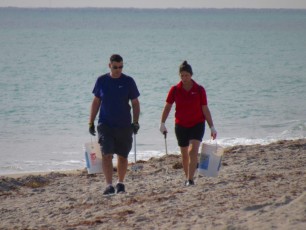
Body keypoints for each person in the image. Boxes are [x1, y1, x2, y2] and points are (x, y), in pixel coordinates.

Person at [89, 54, 140, 195]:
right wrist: (90, 122)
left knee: (123, 156)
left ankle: (121, 183)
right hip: (105, 124)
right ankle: (109, 185)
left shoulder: (128, 81)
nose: (118, 70)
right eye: (115, 67)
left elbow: (135, 103)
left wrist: (135, 122)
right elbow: (96, 102)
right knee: (107, 154)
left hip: (124, 125)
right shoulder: (101, 80)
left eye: (121, 67)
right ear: (109, 65)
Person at [160, 60, 217, 186]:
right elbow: (168, 106)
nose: (184, 78)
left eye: (186, 75)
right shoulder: (175, 90)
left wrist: (212, 127)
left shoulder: (199, 89)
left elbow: (205, 109)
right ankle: (187, 178)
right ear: (179, 76)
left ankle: (190, 179)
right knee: (185, 154)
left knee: (193, 151)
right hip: (180, 125)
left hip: (197, 124)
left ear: (191, 75)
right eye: (182, 76)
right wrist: (162, 123)